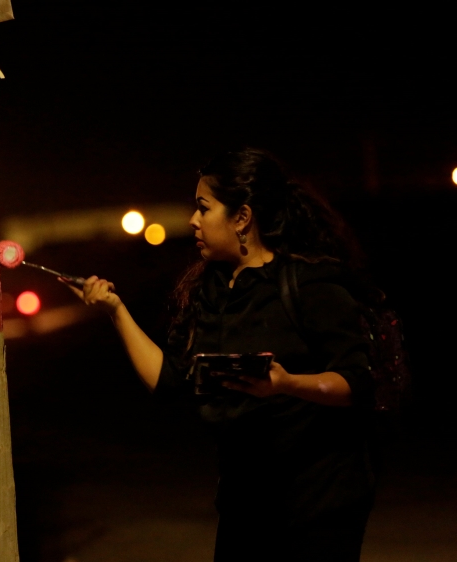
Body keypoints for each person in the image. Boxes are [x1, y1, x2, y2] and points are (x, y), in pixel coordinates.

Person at [68, 148, 377, 561]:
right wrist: (115, 310)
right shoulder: (210, 290)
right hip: (245, 505)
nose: (192, 220)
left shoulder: (308, 284)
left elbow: (357, 382)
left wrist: (286, 384)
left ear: (242, 217)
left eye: (204, 207)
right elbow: (169, 381)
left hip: (318, 504)